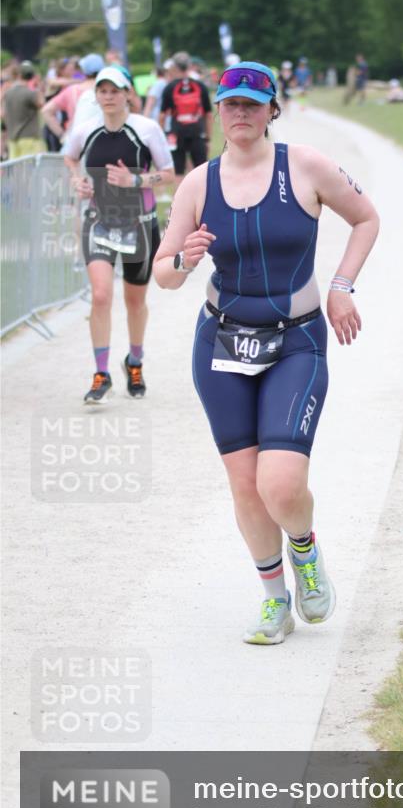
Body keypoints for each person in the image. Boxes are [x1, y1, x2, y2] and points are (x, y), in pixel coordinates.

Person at [152, 61, 380, 645]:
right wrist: (185, 258)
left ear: (272, 109)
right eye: (232, 104)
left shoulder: (305, 166)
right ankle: (274, 600)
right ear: (218, 112)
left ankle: (304, 549)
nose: (242, 113)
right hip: (222, 342)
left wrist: (341, 285)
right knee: (246, 486)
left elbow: (366, 218)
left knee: (280, 484)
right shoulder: (198, 184)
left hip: (295, 342)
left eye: (253, 104)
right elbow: (163, 274)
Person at [63, 66, 175, 403]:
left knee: (135, 301)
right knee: (100, 296)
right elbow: (70, 159)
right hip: (99, 221)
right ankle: (101, 373)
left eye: (115, 90)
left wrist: (136, 181)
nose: (109, 97)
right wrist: (77, 180)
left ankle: (134, 361)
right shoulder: (85, 131)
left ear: (127, 93)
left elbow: (168, 174)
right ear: (96, 96)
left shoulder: (146, 129)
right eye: (103, 91)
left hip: (139, 223)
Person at [159, 51, 213, 189]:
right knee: (201, 171)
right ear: (189, 66)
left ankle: (179, 206)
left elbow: (162, 115)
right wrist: (208, 138)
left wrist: (163, 135)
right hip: (197, 132)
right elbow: (208, 114)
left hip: (176, 133)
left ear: (175, 67)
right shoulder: (200, 86)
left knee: (178, 172)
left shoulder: (169, 88)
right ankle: (202, 206)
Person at [42, 53, 105, 144]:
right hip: (102, 137)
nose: (74, 71)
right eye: (70, 68)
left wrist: (62, 136)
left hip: (76, 139)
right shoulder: (110, 91)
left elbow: (46, 111)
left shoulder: (72, 89)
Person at [1, 61, 45, 158]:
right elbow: (42, 104)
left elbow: (3, 114)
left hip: (12, 139)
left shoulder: (8, 93)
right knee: (31, 170)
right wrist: (39, 87)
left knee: (15, 170)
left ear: (19, 75)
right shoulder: (30, 93)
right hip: (30, 138)